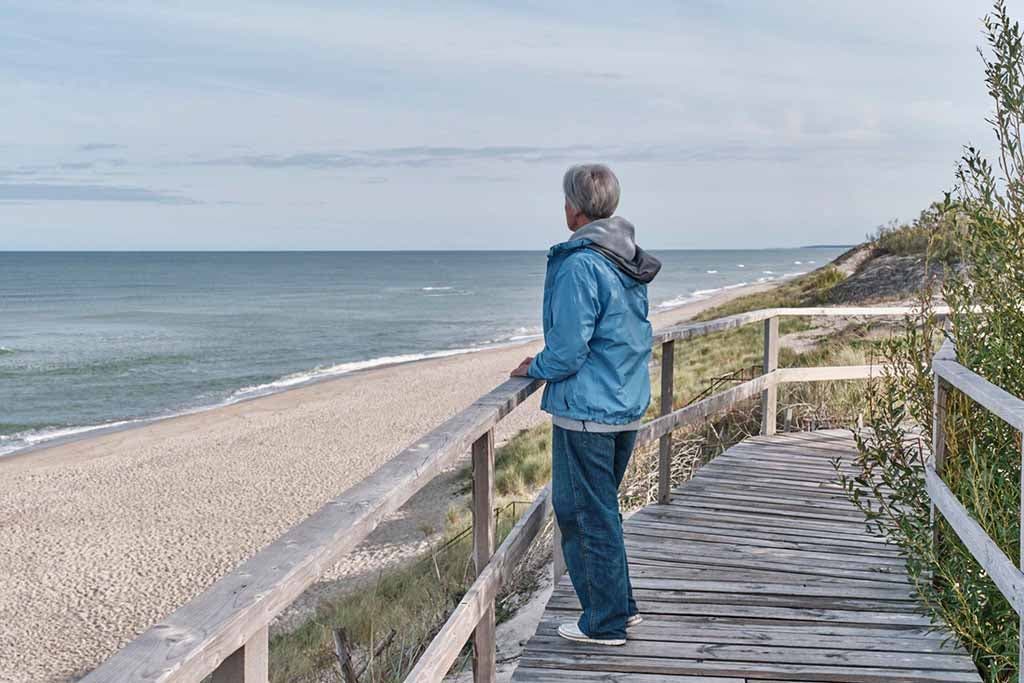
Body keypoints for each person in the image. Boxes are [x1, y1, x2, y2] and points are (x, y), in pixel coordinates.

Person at [510, 163, 661, 645]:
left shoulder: (582, 263)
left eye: (565, 198)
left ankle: (604, 622)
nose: (564, 206)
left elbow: (570, 347)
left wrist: (535, 365)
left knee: (584, 515)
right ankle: (621, 607)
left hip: (589, 412)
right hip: (624, 402)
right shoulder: (623, 256)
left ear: (575, 207)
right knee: (596, 510)